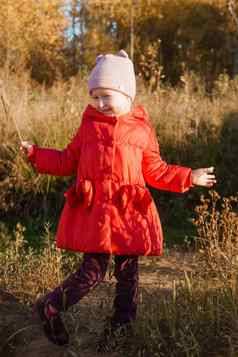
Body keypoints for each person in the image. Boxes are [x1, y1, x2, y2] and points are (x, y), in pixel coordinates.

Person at [20, 50, 216, 351]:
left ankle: (120, 328)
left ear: (126, 94)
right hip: (97, 215)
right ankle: (50, 307)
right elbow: (66, 161)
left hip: (127, 216)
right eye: (95, 96)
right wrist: (36, 154)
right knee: (92, 272)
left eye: (106, 95)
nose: (100, 103)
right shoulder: (88, 127)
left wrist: (190, 176)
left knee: (128, 275)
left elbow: (156, 170)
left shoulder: (142, 130)